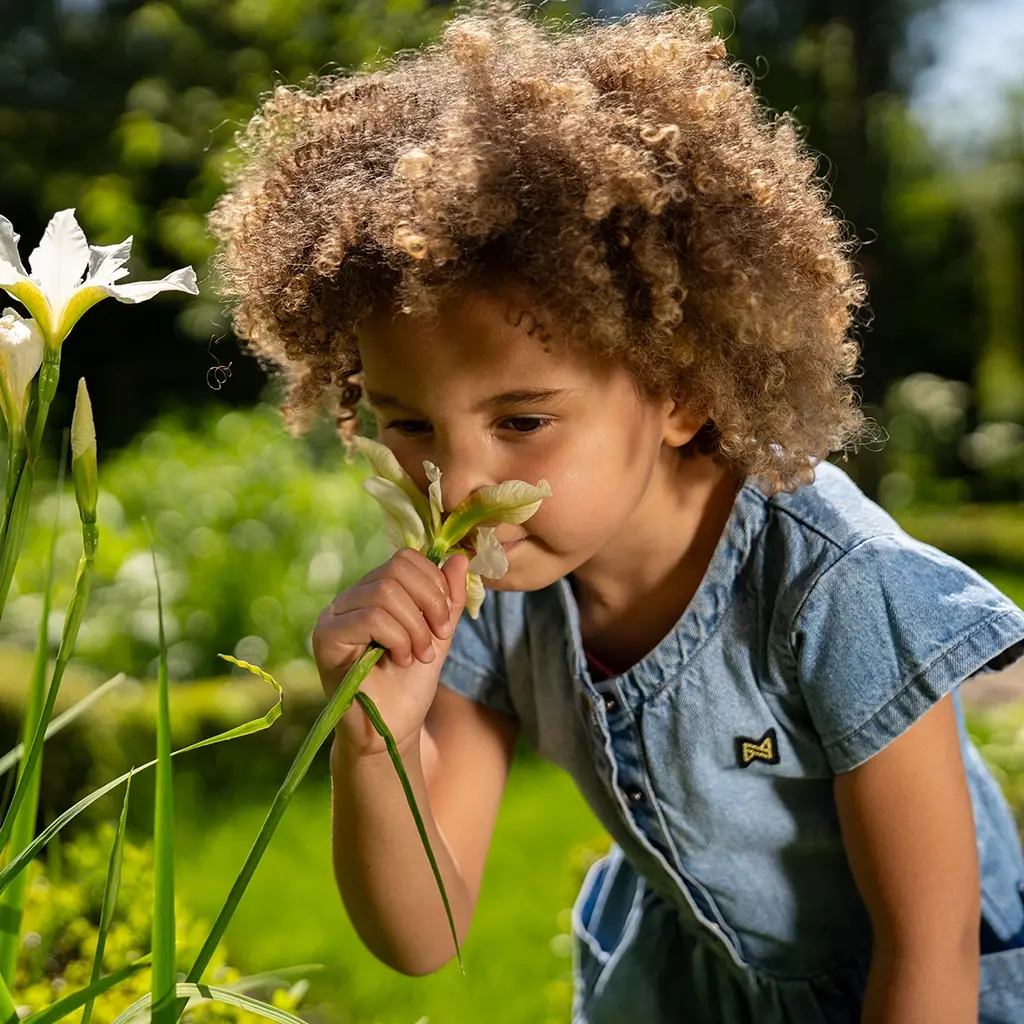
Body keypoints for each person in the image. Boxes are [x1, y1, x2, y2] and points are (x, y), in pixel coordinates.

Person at [208, 3, 1024, 1020]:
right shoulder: (493, 594)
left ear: (679, 392)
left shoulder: (837, 586)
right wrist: (375, 738)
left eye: (523, 419)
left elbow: (928, 947)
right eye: (408, 423)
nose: (455, 489)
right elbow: (422, 933)